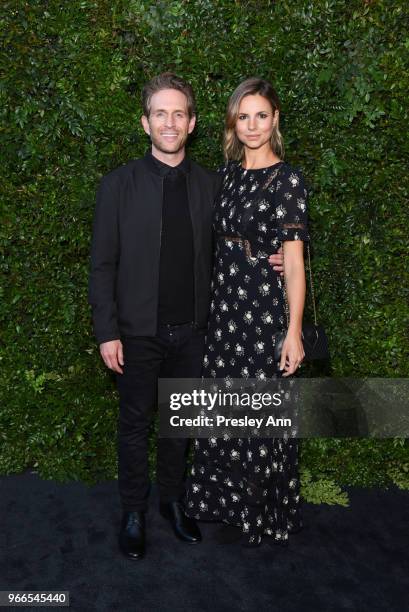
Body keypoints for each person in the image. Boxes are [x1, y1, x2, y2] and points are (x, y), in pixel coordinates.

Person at [88, 72, 286, 559]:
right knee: (135, 425)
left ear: (193, 123)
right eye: (161, 113)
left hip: (196, 332)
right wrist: (107, 331)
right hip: (136, 334)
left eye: (179, 113)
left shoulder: (212, 184)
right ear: (145, 122)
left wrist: (274, 254)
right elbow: (102, 264)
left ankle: (173, 503)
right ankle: (133, 510)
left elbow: (241, 234)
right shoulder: (118, 186)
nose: (170, 122)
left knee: (179, 425)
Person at [186, 77, 309, 547]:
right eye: (244, 116)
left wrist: (293, 331)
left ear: (275, 119)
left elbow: (293, 262)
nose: (253, 125)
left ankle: (261, 512)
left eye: (261, 115)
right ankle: (223, 503)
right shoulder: (227, 174)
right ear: (233, 124)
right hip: (225, 308)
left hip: (263, 310)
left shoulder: (289, 179)